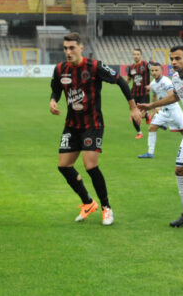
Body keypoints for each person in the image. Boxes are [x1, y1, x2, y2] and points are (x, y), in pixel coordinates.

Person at [50, 32, 141, 226]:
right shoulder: (60, 69)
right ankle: (88, 203)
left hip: (92, 124)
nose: (68, 51)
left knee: (90, 165)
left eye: (72, 47)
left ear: (81, 48)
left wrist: (133, 107)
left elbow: (121, 81)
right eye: (65, 48)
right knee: (63, 166)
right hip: (71, 125)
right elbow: (56, 88)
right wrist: (53, 101)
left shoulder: (94, 66)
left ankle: (106, 208)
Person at [137, 45, 183, 227]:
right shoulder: (176, 78)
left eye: (178, 58)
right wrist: (151, 105)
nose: (174, 62)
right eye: (172, 59)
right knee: (180, 170)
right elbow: (175, 97)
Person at [138, 63, 183, 159]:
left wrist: (159, 106)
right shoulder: (152, 84)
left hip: (174, 111)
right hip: (162, 111)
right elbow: (154, 99)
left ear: (162, 71)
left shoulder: (167, 82)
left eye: (156, 70)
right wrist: (152, 112)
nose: (154, 72)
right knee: (152, 128)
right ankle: (150, 153)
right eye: (152, 70)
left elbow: (171, 97)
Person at [126, 49, 151, 138]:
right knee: (134, 114)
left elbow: (155, 72)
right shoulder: (131, 67)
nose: (136, 56)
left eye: (138, 54)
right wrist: (124, 85)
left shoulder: (146, 65)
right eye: (134, 54)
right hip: (134, 94)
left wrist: (152, 85)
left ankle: (147, 114)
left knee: (141, 114)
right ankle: (139, 132)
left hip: (144, 93)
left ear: (141, 55)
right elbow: (128, 79)